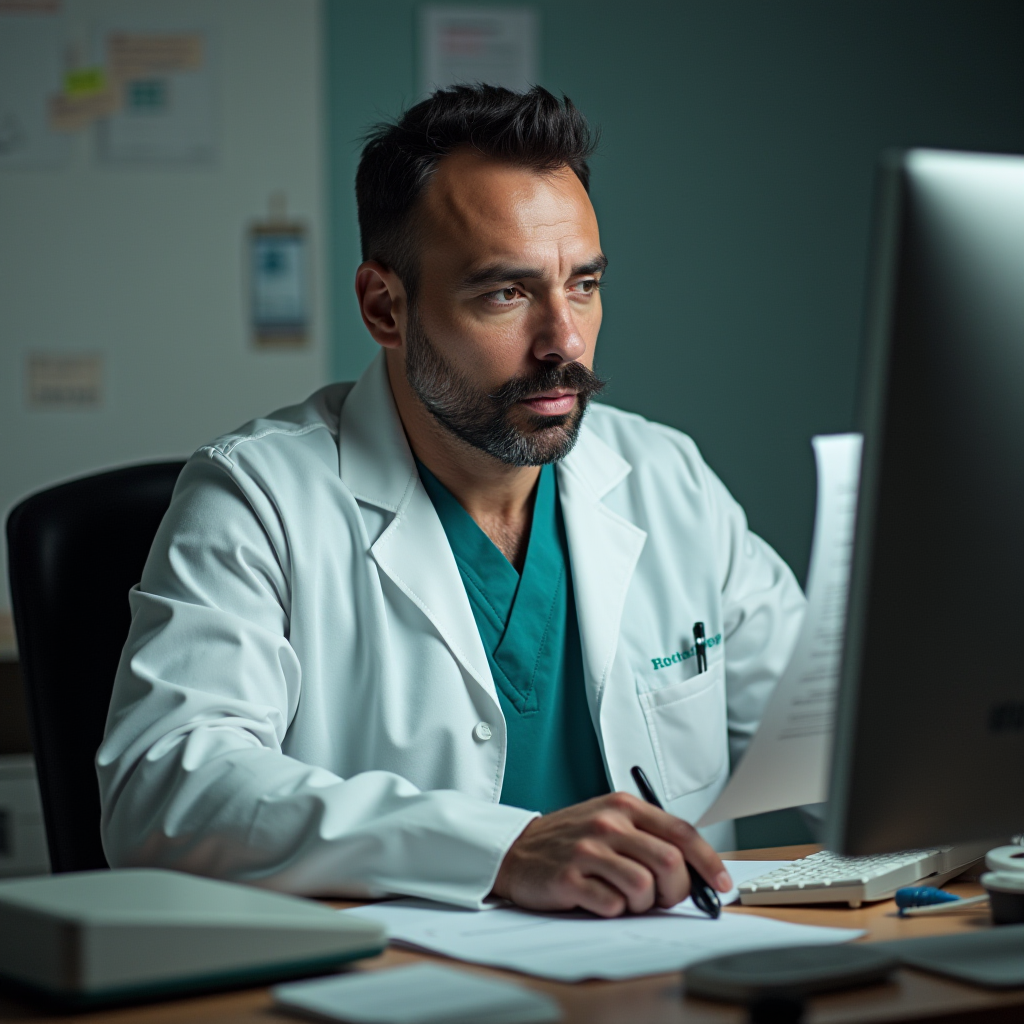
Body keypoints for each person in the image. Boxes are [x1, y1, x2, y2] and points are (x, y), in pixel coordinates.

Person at [97, 85, 805, 918]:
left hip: (671, 980)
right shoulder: (259, 499)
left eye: (582, 284)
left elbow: (829, 734)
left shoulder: (666, 477)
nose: (564, 343)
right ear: (383, 307)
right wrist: (495, 848)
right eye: (506, 294)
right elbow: (164, 791)